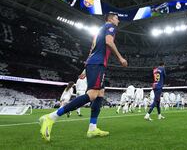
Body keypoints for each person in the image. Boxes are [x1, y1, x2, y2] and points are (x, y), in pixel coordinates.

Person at [39, 13, 128, 142]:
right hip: (98, 64)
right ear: (110, 19)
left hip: (93, 63)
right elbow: (109, 42)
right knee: (92, 94)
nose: (118, 20)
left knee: (100, 94)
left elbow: (92, 49)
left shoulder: (98, 31)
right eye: (117, 18)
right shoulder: (111, 27)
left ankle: (92, 128)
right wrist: (120, 58)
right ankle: (51, 117)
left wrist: (86, 68)